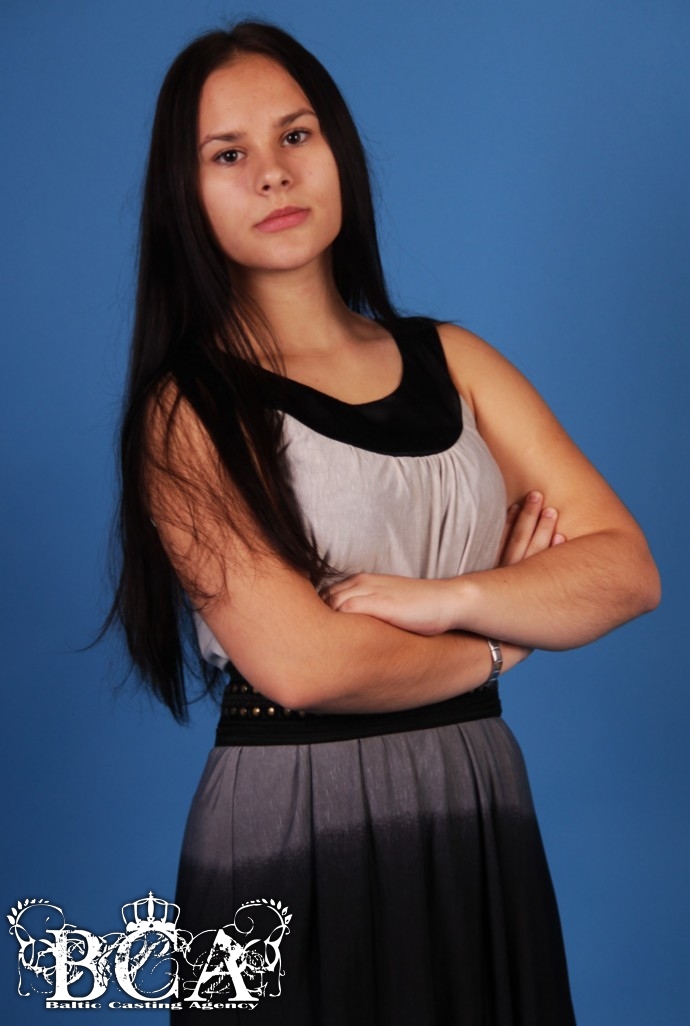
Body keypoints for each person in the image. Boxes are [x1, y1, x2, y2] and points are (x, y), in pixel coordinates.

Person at [109, 20, 660, 1025]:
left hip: (476, 798)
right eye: (228, 155)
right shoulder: (188, 409)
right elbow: (304, 668)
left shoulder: (458, 361)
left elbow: (625, 571)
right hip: (291, 821)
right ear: (183, 195)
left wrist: (453, 598)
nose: (273, 174)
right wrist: (502, 640)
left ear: (340, 150)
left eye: (297, 135)